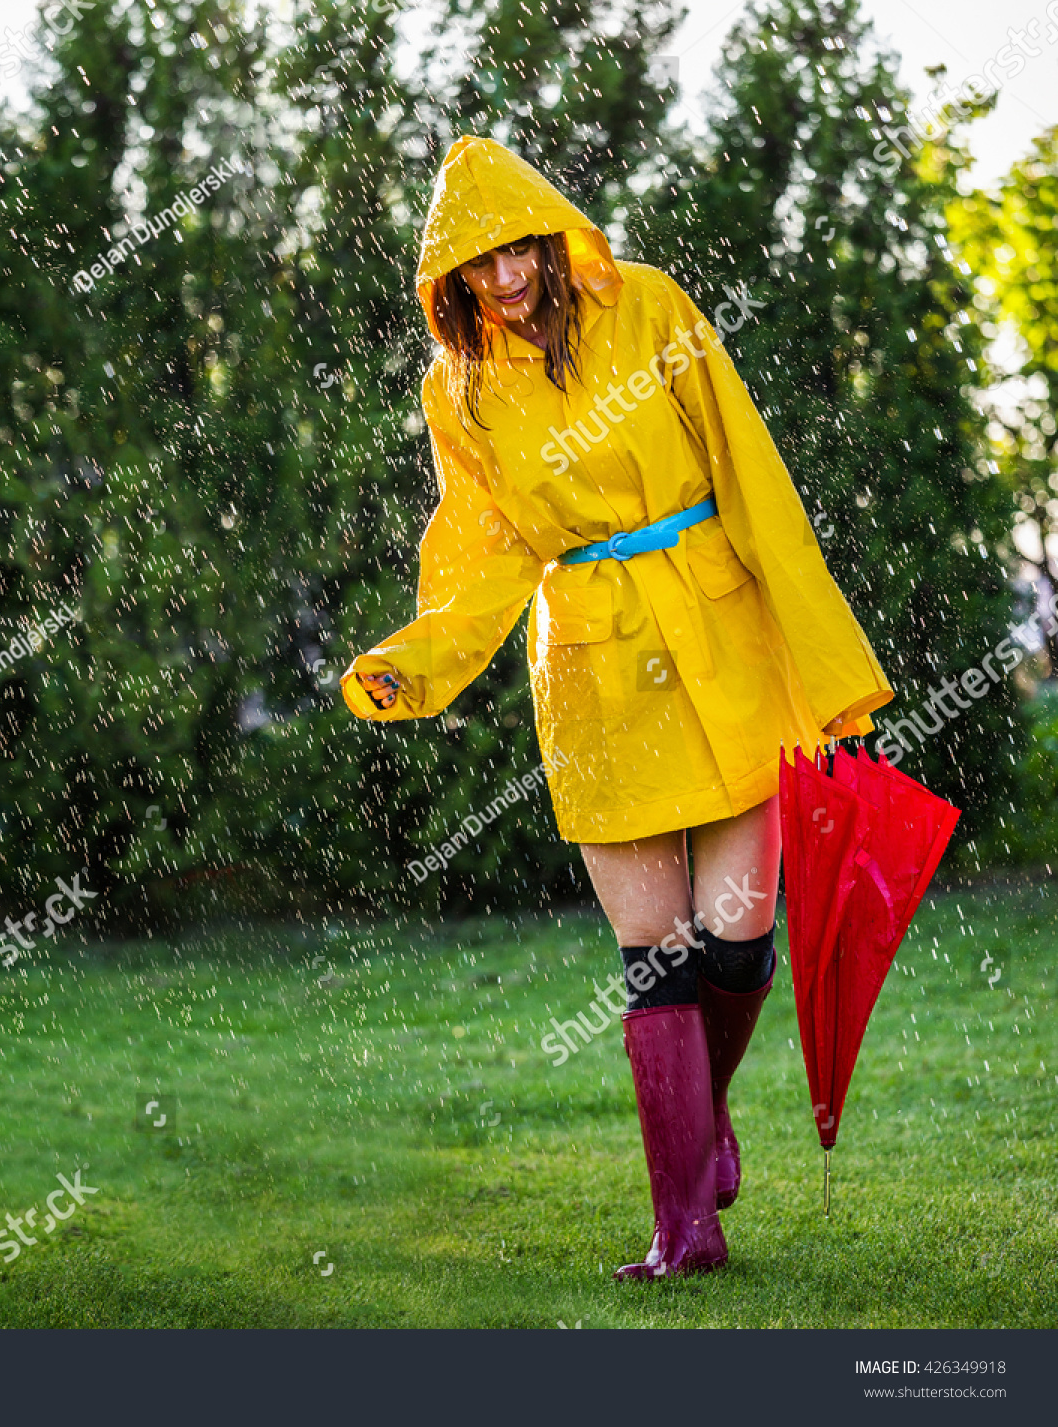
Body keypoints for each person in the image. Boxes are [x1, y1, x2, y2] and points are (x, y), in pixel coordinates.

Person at [339, 136, 894, 1279]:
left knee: (736, 945)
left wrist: (832, 671)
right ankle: (682, 1224)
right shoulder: (461, 389)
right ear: (447, 278)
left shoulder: (649, 308)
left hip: (723, 637)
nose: (502, 280)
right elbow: (483, 553)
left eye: (516, 250)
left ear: (550, 233)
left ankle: (707, 1124)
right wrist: (420, 660)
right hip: (592, 667)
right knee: (659, 956)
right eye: (475, 265)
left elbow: (752, 477)